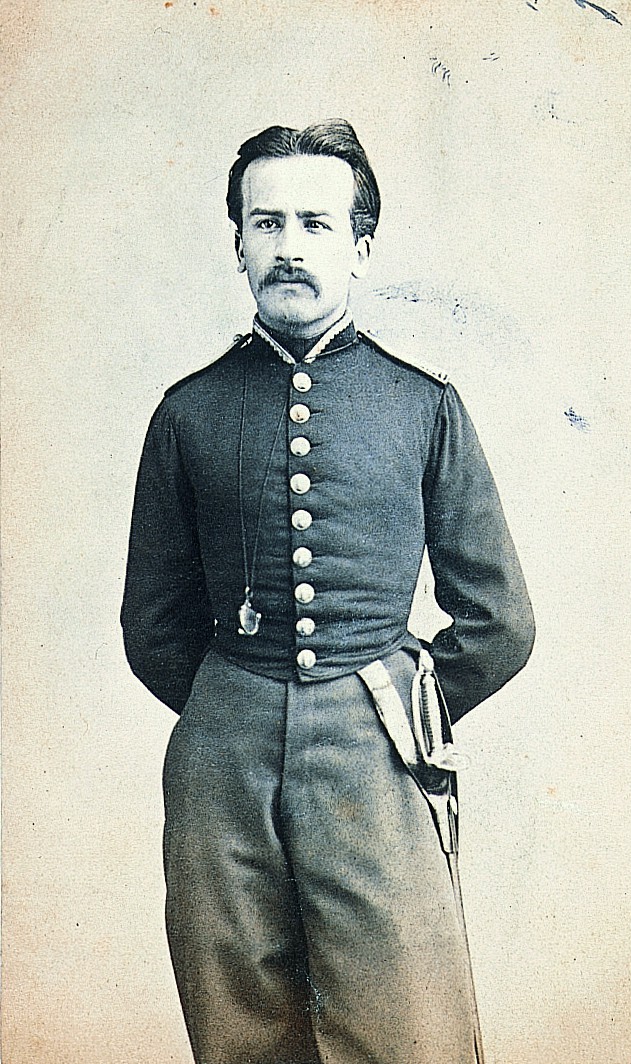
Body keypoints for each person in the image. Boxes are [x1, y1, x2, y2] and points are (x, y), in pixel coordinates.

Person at [121, 120, 535, 1064]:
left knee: (408, 1032)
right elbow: (153, 624)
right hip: (222, 768)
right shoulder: (188, 411)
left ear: (361, 247)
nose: (289, 247)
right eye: (266, 223)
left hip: (375, 753)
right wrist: (233, 708)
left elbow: (500, 621)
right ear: (238, 244)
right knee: (241, 1032)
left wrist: (393, 706)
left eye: (316, 224)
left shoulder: (423, 405)